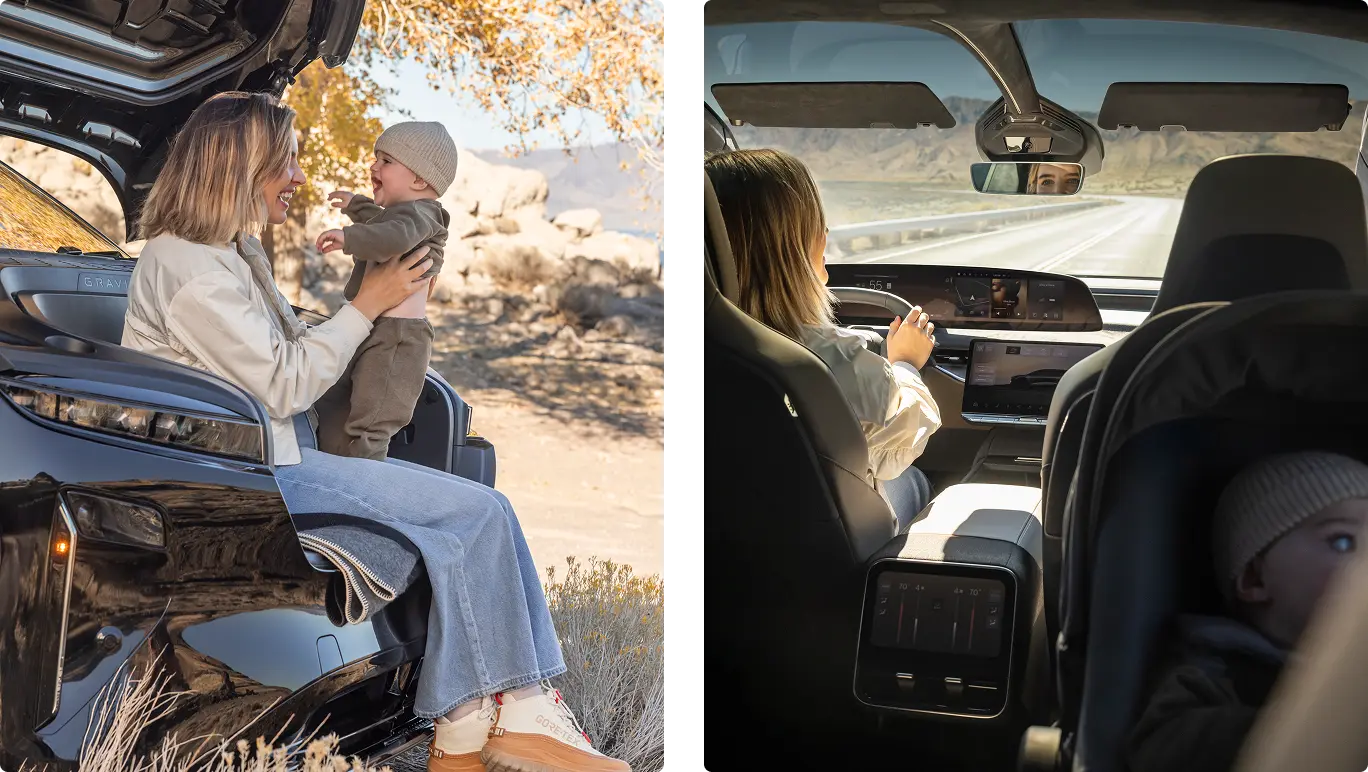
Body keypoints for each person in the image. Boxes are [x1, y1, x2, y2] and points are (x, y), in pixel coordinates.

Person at [121, 91, 628, 772]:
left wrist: (390, 328)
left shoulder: (231, 251)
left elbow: (287, 351)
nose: (299, 178)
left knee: (485, 509)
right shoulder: (184, 266)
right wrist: (367, 304)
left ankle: (500, 717)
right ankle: (486, 725)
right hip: (246, 480)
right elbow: (287, 383)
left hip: (277, 458)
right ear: (240, 167)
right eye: (287, 162)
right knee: (470, 515)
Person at [704, 148, 942, 529]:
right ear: (803, 246)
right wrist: (905, 365)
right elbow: (902, 443)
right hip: (827, 556)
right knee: (911, 481)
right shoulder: (829, 363)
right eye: (819, 228)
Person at [1126, 451, 1368, 772]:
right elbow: (1161, 747)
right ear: (1255, 578)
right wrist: (1315, 726)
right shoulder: (1216, 666)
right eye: (1342, 542)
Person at [311, 121, 455, 461]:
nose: (373, 166)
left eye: (386, 161)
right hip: (375, 327)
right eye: (376, 157)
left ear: (420, 179)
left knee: (374, 415)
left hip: (398, 338)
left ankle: (365, 472)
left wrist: (350, 236)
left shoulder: (424, 215)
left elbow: (394, 237)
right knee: (336, 400)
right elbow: (383, 221)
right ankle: (329, 453)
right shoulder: (404, 213)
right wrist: (357, 205)